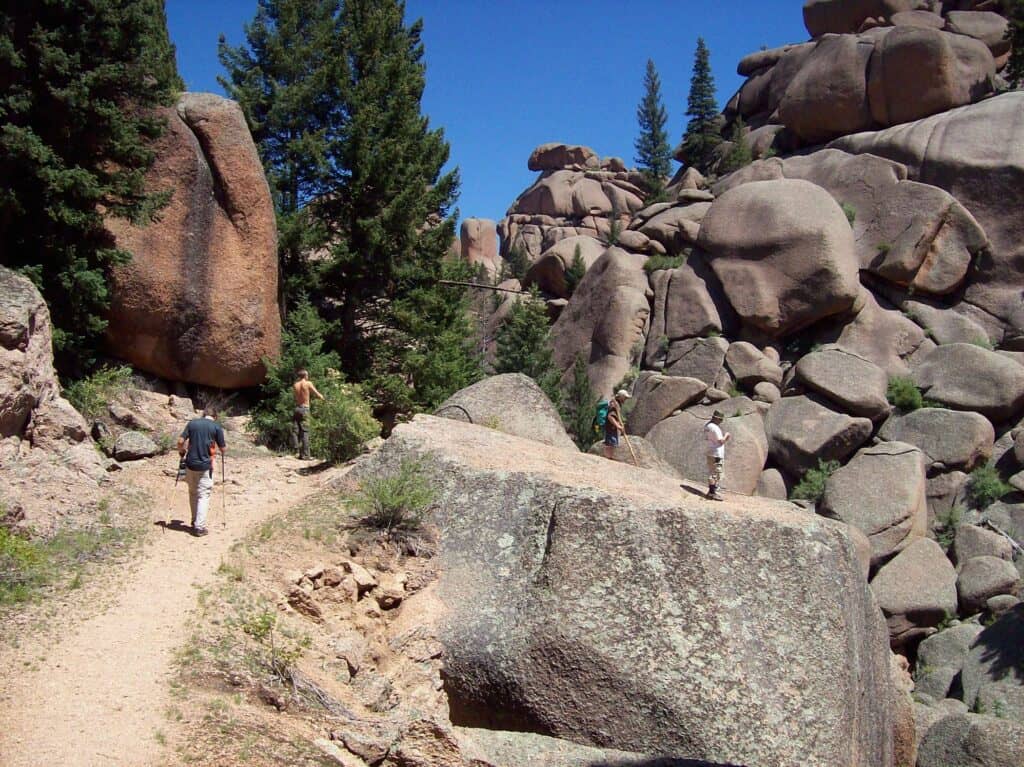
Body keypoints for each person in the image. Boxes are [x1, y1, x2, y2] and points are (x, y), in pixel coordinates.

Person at [176, 407, 227, 536]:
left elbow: (180, 441)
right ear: (215, 417)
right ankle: (199, 527)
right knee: (203, 495)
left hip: (190, 464)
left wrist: (181, 452)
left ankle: (194, 521)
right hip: (205, 465)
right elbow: (223, 449)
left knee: (193, 492)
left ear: (203, 415)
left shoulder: (192, 423)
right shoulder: (216, 427)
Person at [292, 369, 325, 460]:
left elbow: (296, 397)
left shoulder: (295, 385)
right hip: (305, 409)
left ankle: (297, 451)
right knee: (305, 432)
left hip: (297, 409)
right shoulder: (308, 383)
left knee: (295, 431)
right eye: (307, 375)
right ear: (305, 375)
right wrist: (324, 399)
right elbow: (317, 394)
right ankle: (306, 455)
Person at [703, 410, 731, 501]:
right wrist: (726, 435)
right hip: (716, 453)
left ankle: (712, 490)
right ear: (716, 419)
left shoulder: (707, 426)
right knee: (715, 473)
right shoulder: (715, 428)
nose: (721, 422)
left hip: (710, 451)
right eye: (720, 420)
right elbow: (721, 441)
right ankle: (712, 493)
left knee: (712, 472)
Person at [603, 389, 630, 459]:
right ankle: (607, 457)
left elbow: (616, 416)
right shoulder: (614, 404)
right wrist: (618, 426)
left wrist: (619, 424)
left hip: (612, 427)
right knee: (611, 442)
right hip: (610, 427)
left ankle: (609, 457)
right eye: (625, 398)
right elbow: (610, 417)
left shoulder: (617, 404)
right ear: (621, 397)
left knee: (612, 443)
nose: (626, 399)